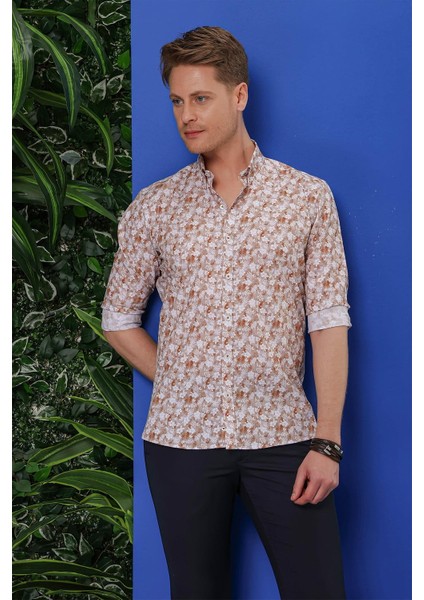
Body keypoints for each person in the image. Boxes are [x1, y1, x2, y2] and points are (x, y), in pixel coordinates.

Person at [101, 25, 351, 600]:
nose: (186, 115)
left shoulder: (306, 197)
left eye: (200, 98)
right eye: (176, 101)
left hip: (284, 436)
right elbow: (117, 318)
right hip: (181, 442)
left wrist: (327, 442)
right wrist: (184, 380)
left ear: (239, 95)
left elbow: (328, 322)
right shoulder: (155, 206)